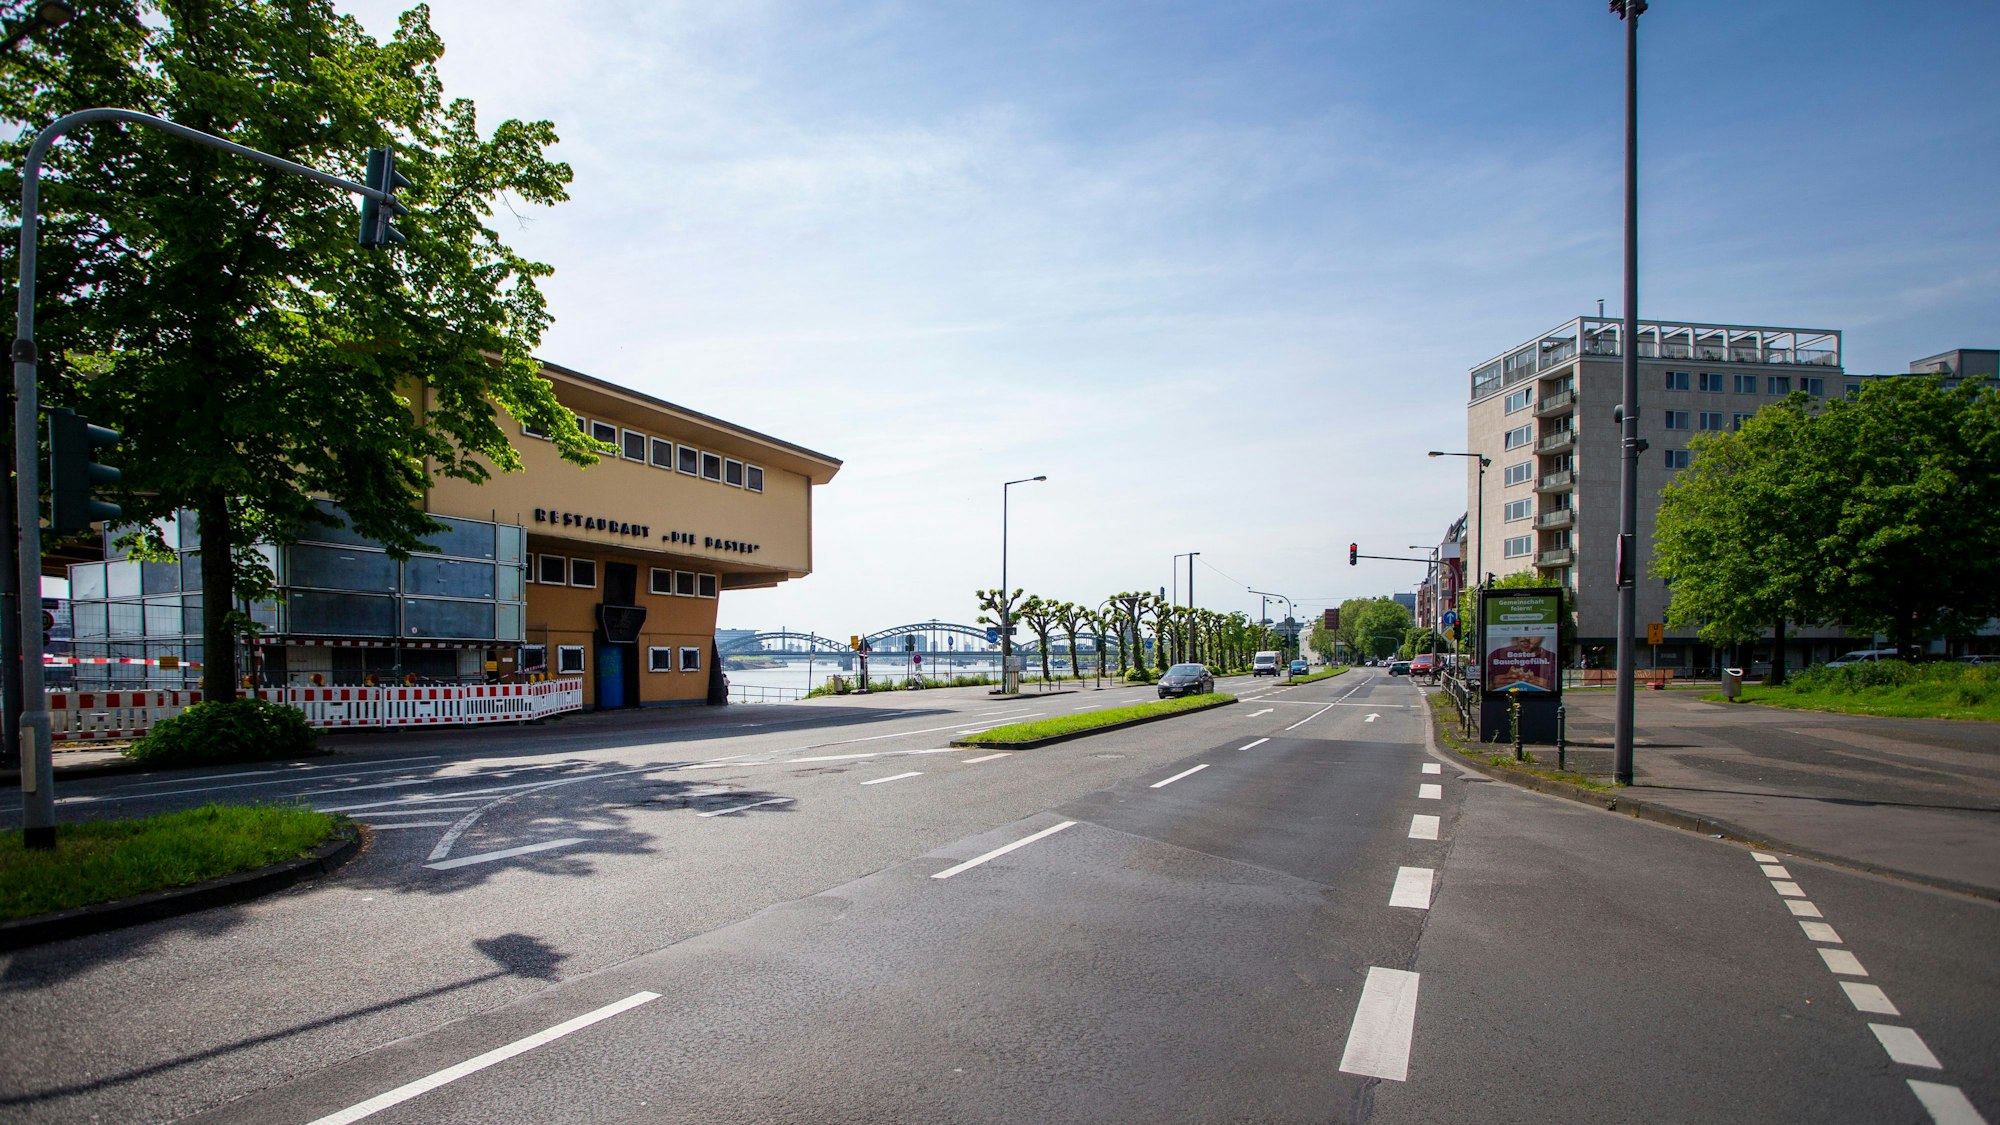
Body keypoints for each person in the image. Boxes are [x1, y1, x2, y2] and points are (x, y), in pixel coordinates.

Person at [1488, 633, 1556, 692]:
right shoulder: (1498, 655)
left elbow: (1557, 686)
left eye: (1534, 633)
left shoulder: (1551, 658)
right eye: (1522, 632)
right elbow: (1482, 684)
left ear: (1542, 637)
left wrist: (1549, 686)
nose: (1526, 638)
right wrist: (1492, 685)